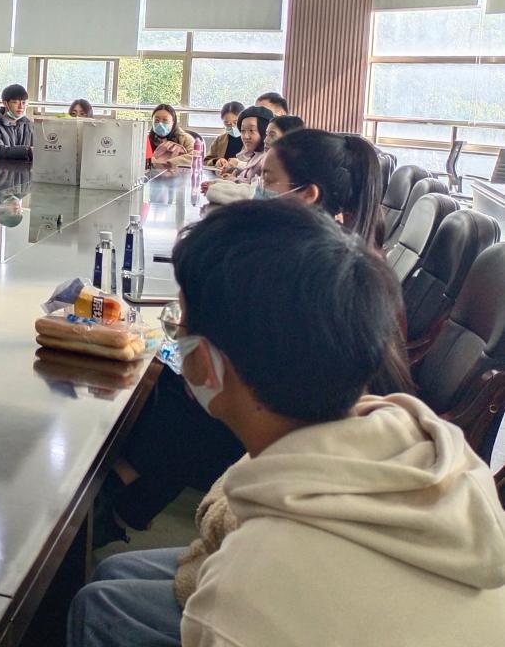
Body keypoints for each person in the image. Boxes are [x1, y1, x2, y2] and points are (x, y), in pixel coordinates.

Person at [70, 200, 505, 647]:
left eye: (181, 325)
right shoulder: (419, 441)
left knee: (99, 604)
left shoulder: (245, 599)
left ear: (206, 364)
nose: (177, 338)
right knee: (112, 573)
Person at [98, 126, 392, 545]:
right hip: (302, 418)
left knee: (180, 396)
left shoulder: (327, 271)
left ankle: (117, 500)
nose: (256, 188)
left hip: (294, 428)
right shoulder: (321, 250)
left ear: (308, 195)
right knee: (171, 382)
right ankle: (121, 501)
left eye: (268, 179)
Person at [0, 84, 34, 162]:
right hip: (0, 168)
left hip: (26, 169)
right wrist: (28, 151)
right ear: (5, 103)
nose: (21, 107)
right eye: (15, 102)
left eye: (23, 103)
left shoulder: (29, 125)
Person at [148, 104, 196, 168]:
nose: (160, 124)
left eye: (165, 120)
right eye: (156, 120)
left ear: (173, 122)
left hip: (179, 173)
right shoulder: (146, 139)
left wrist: (168, 163)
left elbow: (195, 157)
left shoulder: (185, 139)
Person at [203, 101, 244, 167]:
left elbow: (257, 165)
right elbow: (205, 162)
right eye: (227, 123)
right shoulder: (220, 140)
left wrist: (239, 164)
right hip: (221, 173)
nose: (232, 126)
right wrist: (216, 161)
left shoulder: (251, 140)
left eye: (235, 122)